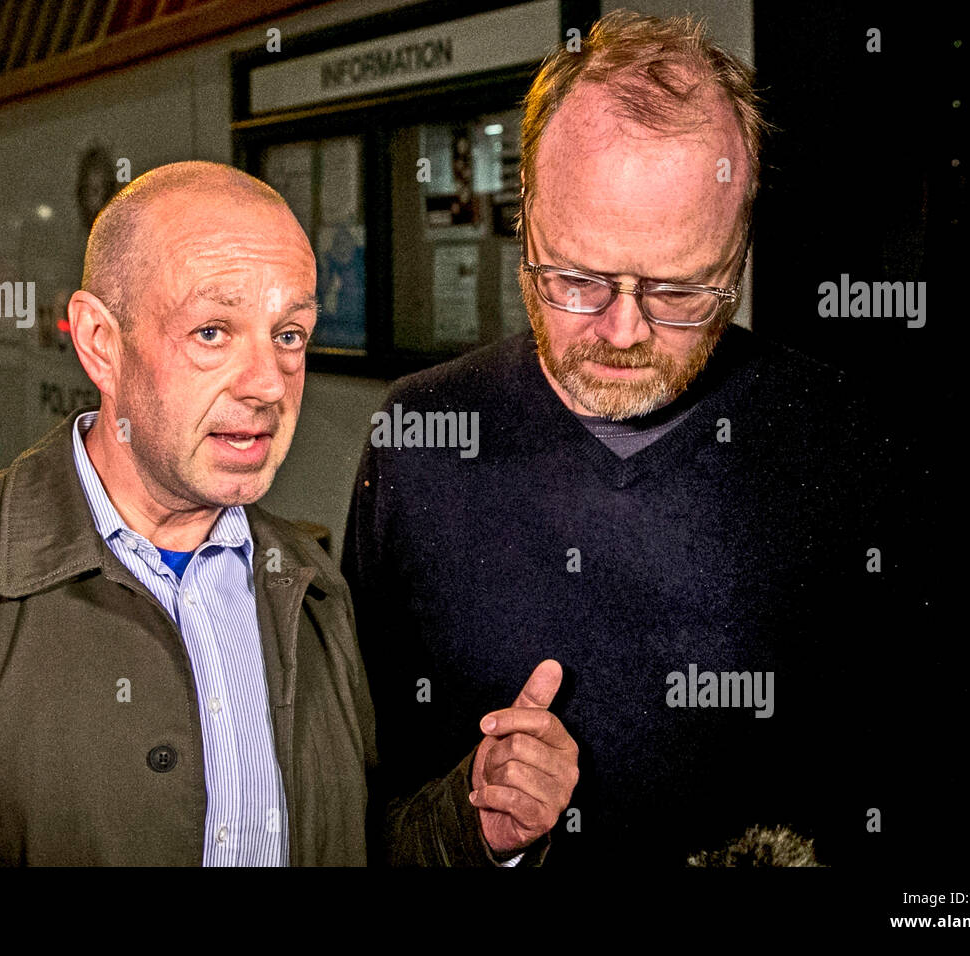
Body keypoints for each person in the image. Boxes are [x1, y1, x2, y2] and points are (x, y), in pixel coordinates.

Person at [345, 12, 910, 867]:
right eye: (573, 277)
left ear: (740, 253)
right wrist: (477, 825)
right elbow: (350, 804)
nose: (620, 330)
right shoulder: (419, 438)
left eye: (680, 291)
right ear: (524, 219)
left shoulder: (846, 442)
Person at [0, 161, 374, 865]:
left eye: (289, 334)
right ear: (100, 341)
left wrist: (474, 828)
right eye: (213, 332)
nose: (268, 385)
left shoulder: (313, 588)